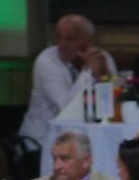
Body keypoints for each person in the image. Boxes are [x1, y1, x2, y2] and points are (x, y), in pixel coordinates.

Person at [19, 15, 116, 146]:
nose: (61, 45)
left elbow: (118, 101)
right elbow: (67, 109)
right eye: (58, 38)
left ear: (89, 41)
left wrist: (105, 75)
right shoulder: (46, 62)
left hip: (88, 139)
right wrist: (88, 72)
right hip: (44, 142)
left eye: (70, 39)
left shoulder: (101, 57)